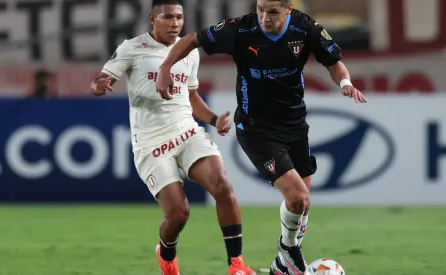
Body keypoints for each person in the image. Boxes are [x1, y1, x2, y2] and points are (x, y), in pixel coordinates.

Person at [155, 0, 367, 274]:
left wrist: (346, 84)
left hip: (295, 126)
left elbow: (333, 62)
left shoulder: (305, 28)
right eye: (260, 9)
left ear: (289, 9)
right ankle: (288, 251)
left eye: (273, 11)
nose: (264, 17)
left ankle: (282, 263)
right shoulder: (240, 30)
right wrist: (165, 67)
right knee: (298, 197)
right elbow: (193, 40)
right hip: (256, 130)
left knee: (303, 203)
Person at [89, 1, 256, 275]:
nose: (175, 23)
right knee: (179, 215)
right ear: (153, 19)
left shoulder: (189, 53)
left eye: (179, 17)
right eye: (168, 17)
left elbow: (190, 97)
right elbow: (100, 79)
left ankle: (236, 264)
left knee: (223, 186)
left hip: (186, 132)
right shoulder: (132, 48)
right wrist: (99, 85)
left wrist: (214, 120)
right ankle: (166, 253)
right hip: (151, 143)